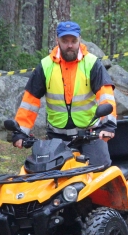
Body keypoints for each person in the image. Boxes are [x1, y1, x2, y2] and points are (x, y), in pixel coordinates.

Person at [13, 21, 117, 167]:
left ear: (79, 39)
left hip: (90, 134)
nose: (70, 45)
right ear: (57, 40)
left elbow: (106, 96)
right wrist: (21, 132)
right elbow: (30, 102)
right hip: (56, 137)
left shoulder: (92, 64)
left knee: (102, 173)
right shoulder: (45, 66)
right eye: (65, 41)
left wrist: (108, 126)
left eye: (73, 41)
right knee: (47, 176)